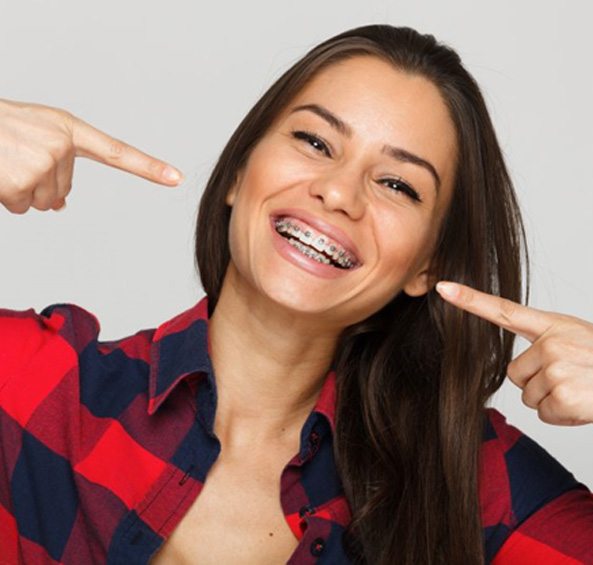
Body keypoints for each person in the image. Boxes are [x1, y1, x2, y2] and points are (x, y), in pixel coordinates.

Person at [0, 24, 592, 565]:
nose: (338, 193)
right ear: (239, 170)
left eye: (396, 184)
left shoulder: (473, 484)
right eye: (314, 141)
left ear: (426, 265)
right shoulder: (41, 388)